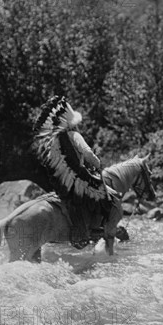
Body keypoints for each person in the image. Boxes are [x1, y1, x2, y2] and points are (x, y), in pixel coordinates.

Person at [34, 96, 112, 248]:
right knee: (104, 195)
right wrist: (98, 165)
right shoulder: (74, 135)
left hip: (60, 184)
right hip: (76, 181)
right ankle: (91, 231)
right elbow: (88, 154)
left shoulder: (52, 140)